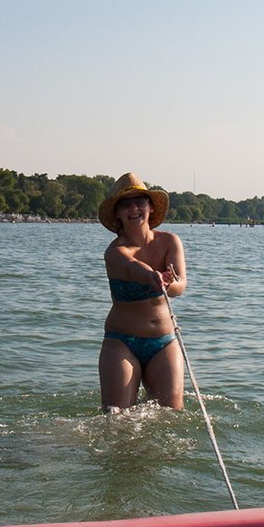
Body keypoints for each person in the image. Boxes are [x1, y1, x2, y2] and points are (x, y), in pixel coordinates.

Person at [98, 172, 187, 412]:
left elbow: (180, 286)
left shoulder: (170, 242)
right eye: (126, 204)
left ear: (151, 207)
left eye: (140, 202)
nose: (134, 208)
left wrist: (167, 284)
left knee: (171, 414)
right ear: (117, 213)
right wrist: (151, 276)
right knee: (116, 416)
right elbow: (131, 267)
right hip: (121, 342)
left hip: (163, 342)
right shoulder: (114, 252)